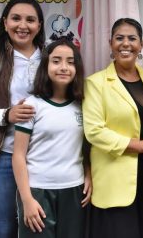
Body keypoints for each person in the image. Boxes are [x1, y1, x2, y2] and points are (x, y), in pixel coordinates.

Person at [82, 18, 143, 238]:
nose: (125, 43)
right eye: (119, 38)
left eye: (132, 38)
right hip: (114, 182)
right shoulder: (96, 83)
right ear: (111, 43)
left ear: (142, 45)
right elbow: (94, 132)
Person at [12, 39, 92, 237]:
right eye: (56, 61)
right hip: (38, 191)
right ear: (46, 65)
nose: (63, 67)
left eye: (70, 62)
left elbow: (86, 148)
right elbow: (18, 156)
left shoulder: (84, 104)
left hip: (75, 190)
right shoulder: (32, 105)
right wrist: (27, 200)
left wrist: (88, 175)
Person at [0, 0, 45, 238]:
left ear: (39, 25)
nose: (23, 25)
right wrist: (6, 115)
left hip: (42, 160)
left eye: (30, 20)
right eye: (16, 18)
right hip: (0, 160)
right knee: (1, 229)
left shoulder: (52, 59)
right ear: (5, 22)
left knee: (39, 228)